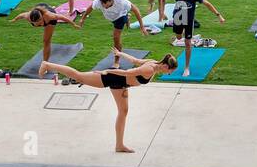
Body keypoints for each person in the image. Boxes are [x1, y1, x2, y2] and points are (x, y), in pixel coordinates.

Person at [39, 51, 178, 153]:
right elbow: (128, 72)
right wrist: (106, 72)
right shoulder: (149, 68)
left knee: (123, 112)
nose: (169, 74)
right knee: (79, 76)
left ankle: (119, 145)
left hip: (121, 85)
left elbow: (135, 60)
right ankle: (47, 64)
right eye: (170, 71)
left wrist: (120, 53)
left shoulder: (153, 62)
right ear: (165, 66)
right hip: (112, 78)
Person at [166, 0, 224, 78]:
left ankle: (187, 67)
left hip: (189, 20)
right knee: (179, 38)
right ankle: (182, 32)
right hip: (178, 18)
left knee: (188, 43)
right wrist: (161, 12)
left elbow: (207, 4)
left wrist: (219, 15)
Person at [80, 0, 147, 63]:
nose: (105, 7)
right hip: (111, 18)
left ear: (111, 0)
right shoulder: (98, 1)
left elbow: (136, 10)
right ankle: (127, 17)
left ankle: (116, 61)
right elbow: (90, 8)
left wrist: (142, 26)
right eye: (103, 5)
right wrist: (83, 19)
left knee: (116, 38)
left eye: (107, 5)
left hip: (120, 17)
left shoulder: (121, 1)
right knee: (118, 20)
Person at [10, 2, 81, 66]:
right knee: (45, 39)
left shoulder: (50, 16)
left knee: (46, 41)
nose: (39, 24)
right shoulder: (27, 16)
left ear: (42, 18)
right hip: (39, 6)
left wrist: (74, 24)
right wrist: (14, 20)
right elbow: (20, 16)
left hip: (49, 17)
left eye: (40, 22)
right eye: (36, 24)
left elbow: (63, 17)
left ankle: (45, 64)